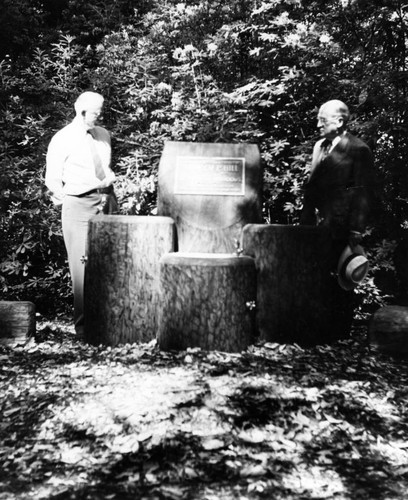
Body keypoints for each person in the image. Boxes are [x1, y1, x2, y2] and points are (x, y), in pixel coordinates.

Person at [45, 91, 118, 336]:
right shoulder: (63, 138)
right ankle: (86, 329)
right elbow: (53, 179)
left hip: (107, 199)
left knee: (110, 261)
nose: (100, 114)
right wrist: (72, 201)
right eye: (95, 111)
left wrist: (106, 195)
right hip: (78, 203)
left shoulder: (103, 135)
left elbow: (105, 168)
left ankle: (112, 323)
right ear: (80, 110)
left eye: (101, 109)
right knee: (81, 267)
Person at [300, 99, 375, 334]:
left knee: (340, 276)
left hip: (342, 226)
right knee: (316, 274)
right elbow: (312, 187)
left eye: (323, 120)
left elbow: (364, 192)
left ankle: (339, 330)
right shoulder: (319, 146)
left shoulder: (358, 150)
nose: (317, 124)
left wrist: (356, 229)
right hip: (317, 225)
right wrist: (306, 219)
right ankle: (317, 327)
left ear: (340, 121)